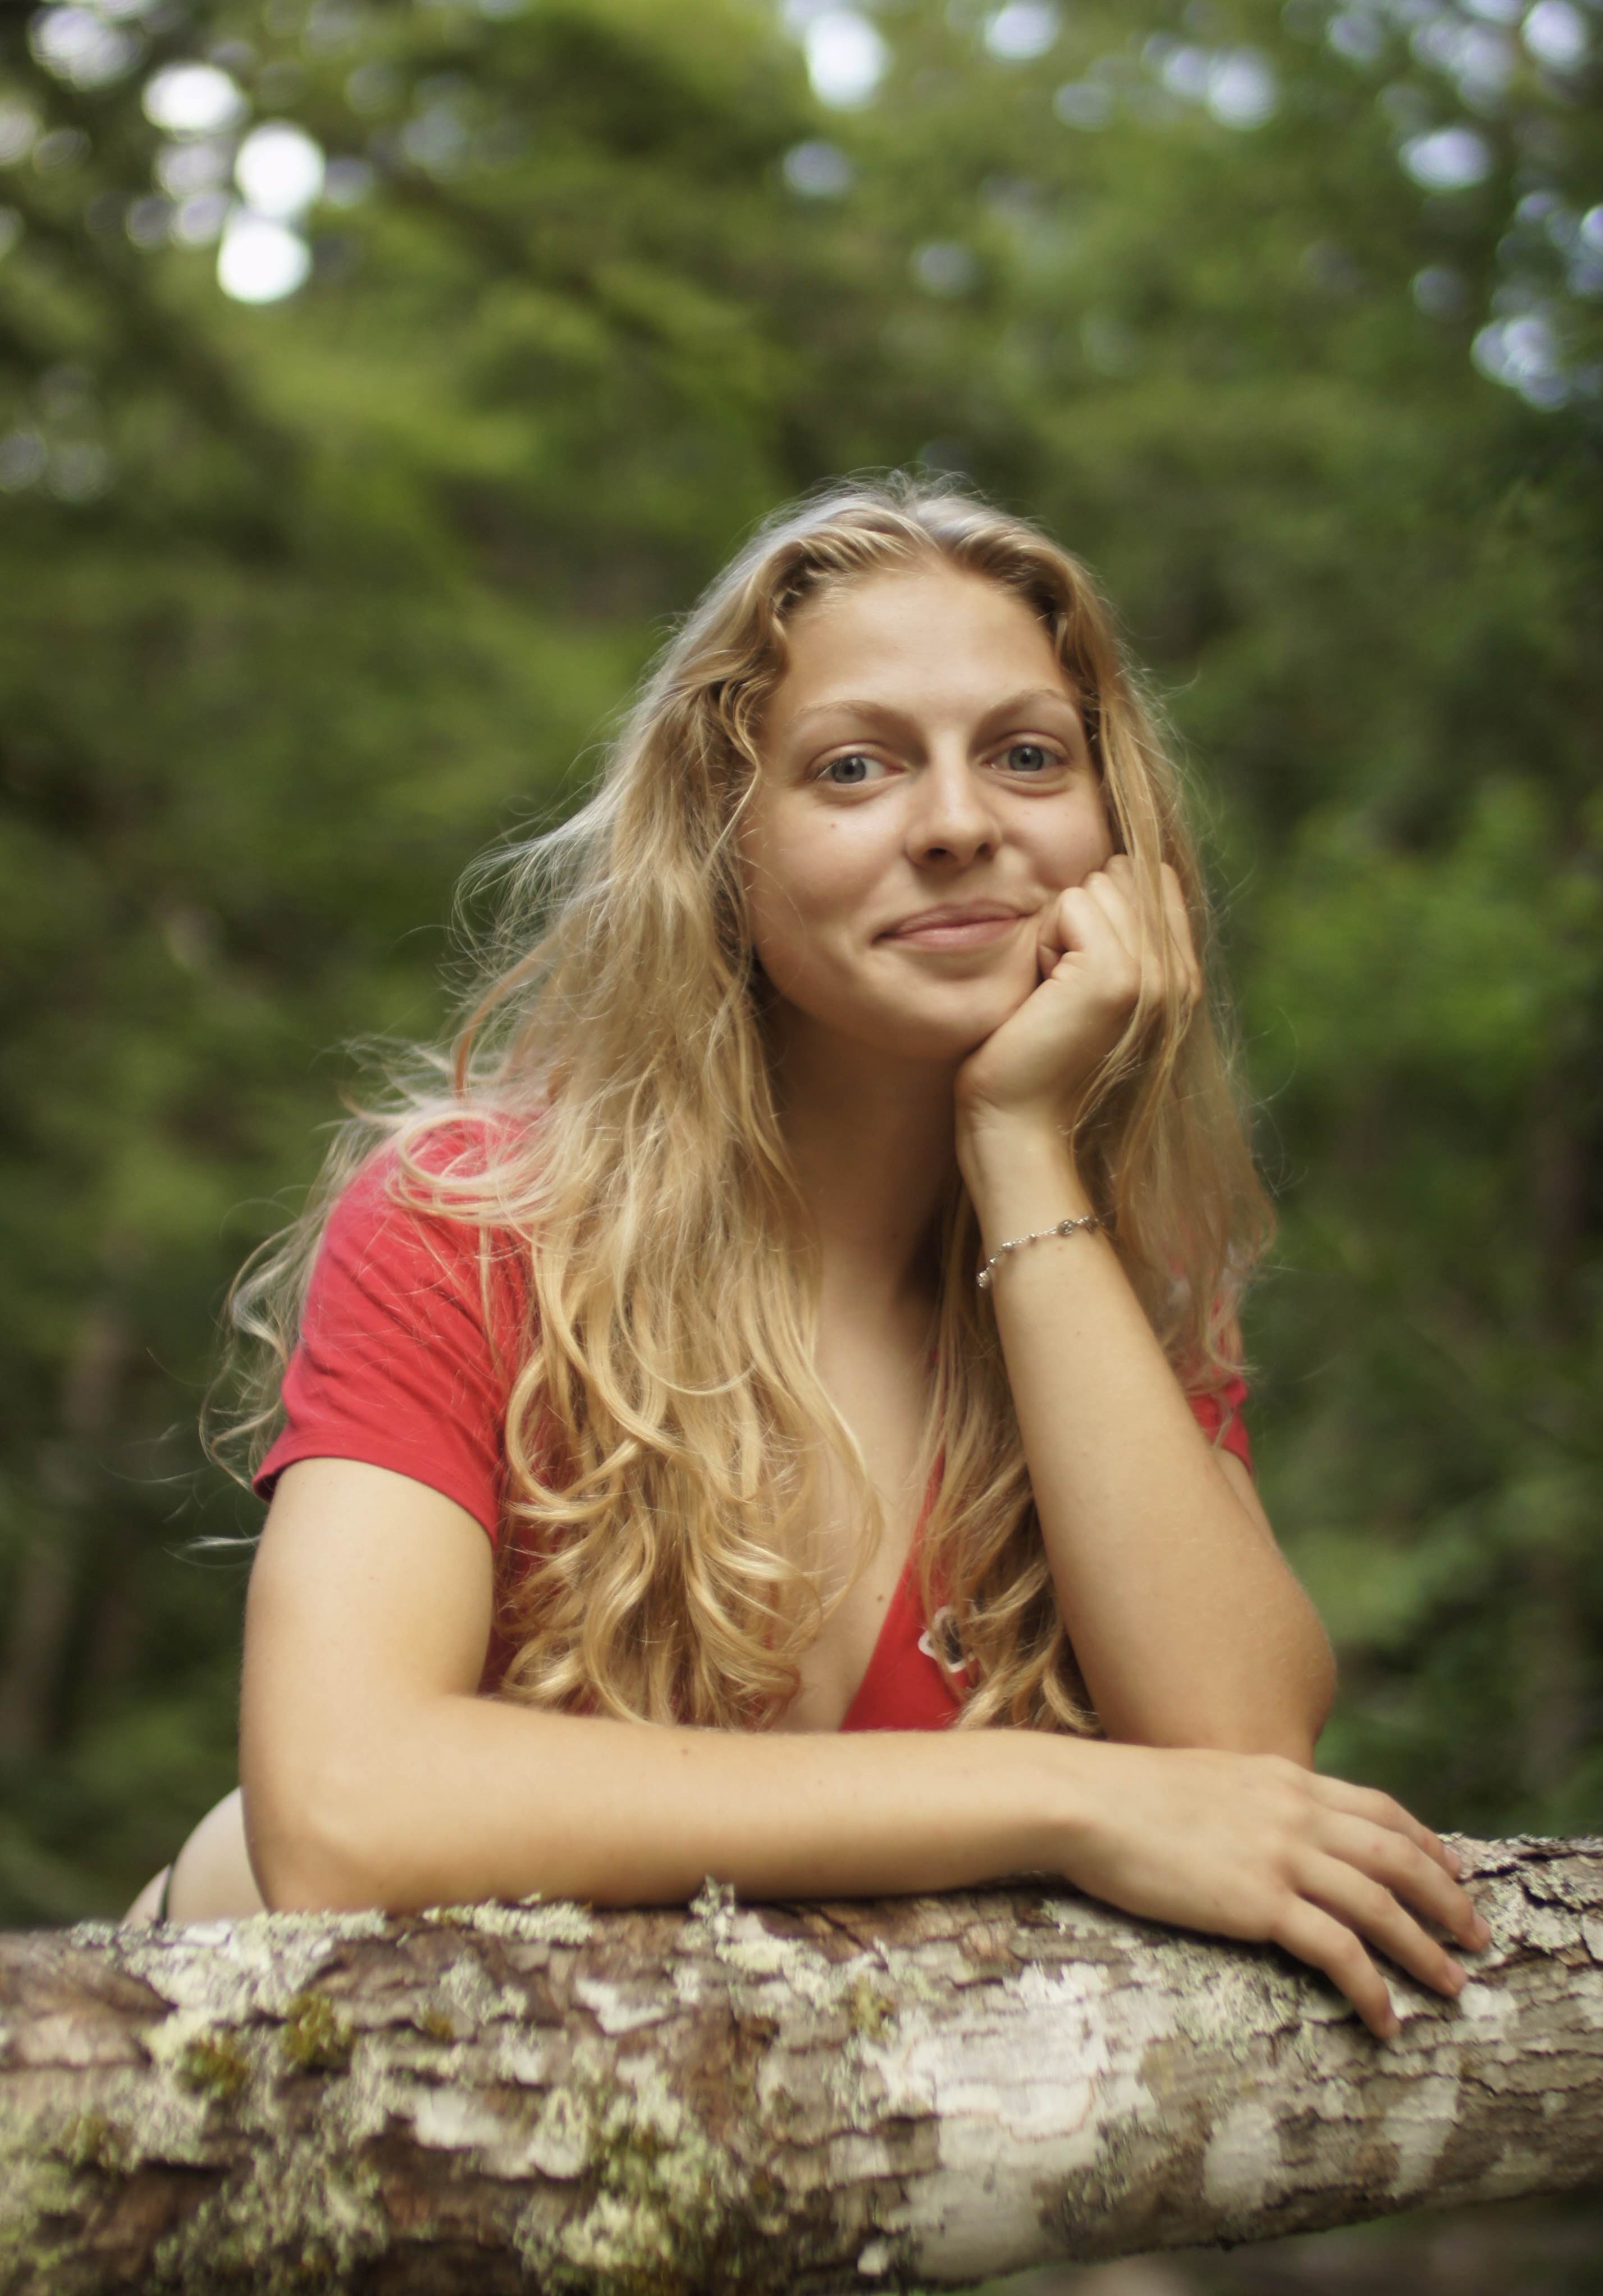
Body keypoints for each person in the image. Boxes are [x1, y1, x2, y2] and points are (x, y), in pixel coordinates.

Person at [124, 474, 1488, 2041]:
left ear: (1121, 839)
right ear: (724, 842)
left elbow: (1240, 1768)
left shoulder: (1108, 1293)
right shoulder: (475, 1223)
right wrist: (1057, 1797)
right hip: (221, 2138)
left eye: (1029, 756)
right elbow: (348, 1809)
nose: (963, 822)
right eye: (857, 768)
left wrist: (1023, 1147)